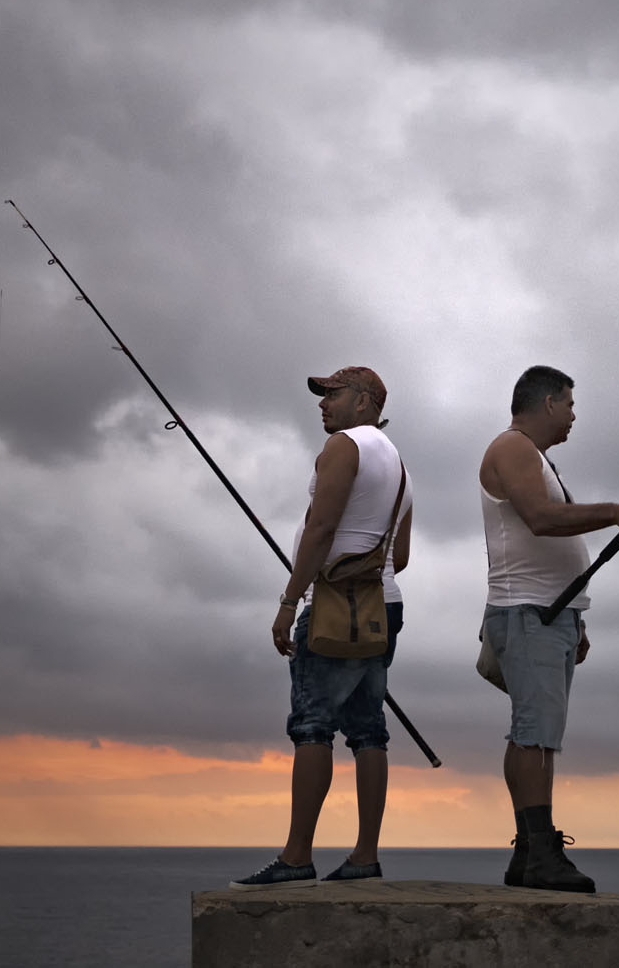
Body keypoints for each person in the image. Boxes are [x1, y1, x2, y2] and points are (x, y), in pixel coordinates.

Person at [478, 365, 619, 893]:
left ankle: (528, 852)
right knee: (537, 736)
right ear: (548, 403)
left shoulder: (533, 456)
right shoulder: (512, 448)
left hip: (547, 613)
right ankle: (541, 854)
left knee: (531, 732)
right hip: (530, 613)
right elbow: (540, 518)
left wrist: (574, 616)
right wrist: (615, 512)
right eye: (570, 404)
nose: (574, 415)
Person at [232, 366, 415, 889]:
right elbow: (399, 556)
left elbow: (321, 528)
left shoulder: (344, 447)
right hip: (383, 606)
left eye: (333, 393)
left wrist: (289, 601)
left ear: (365, 401)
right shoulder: (400, 466)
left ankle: (296, 857)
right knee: (369, 729)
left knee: (312, 725)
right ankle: (365, 856)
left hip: (333, 607)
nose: (323, 402)